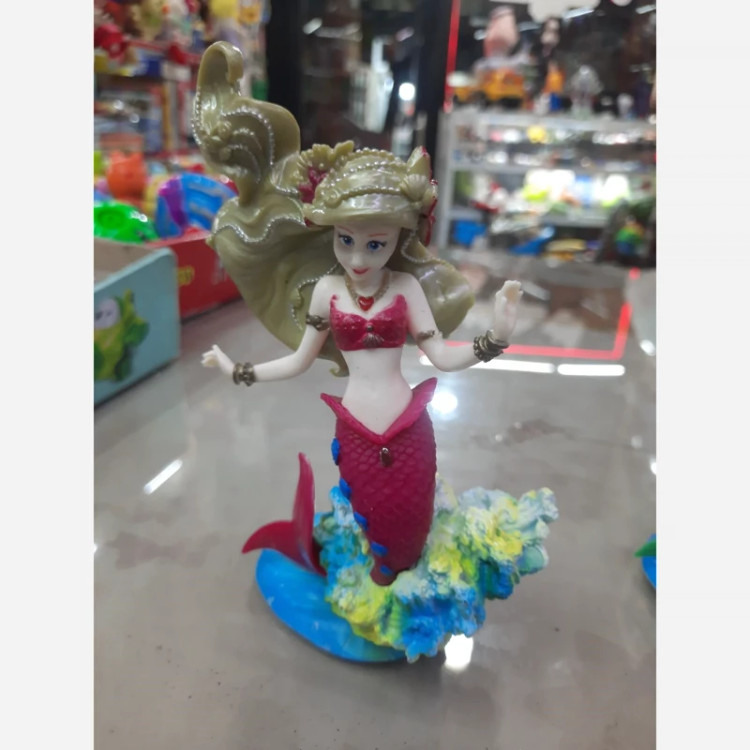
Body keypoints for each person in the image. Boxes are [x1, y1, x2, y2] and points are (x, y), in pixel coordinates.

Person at [193, 42, 557, 661]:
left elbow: (441, 358)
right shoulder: (327, 291)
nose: (358, 259)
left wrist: (495, 336)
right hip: (356, 432)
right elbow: (301, 360)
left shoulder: (408, 289)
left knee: (409, 524)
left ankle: (408, 599)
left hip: (410, 429)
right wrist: (238, 369)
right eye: (345, 241)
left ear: (400, 240)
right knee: (371, 523)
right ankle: (378, 594)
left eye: (375, 245)